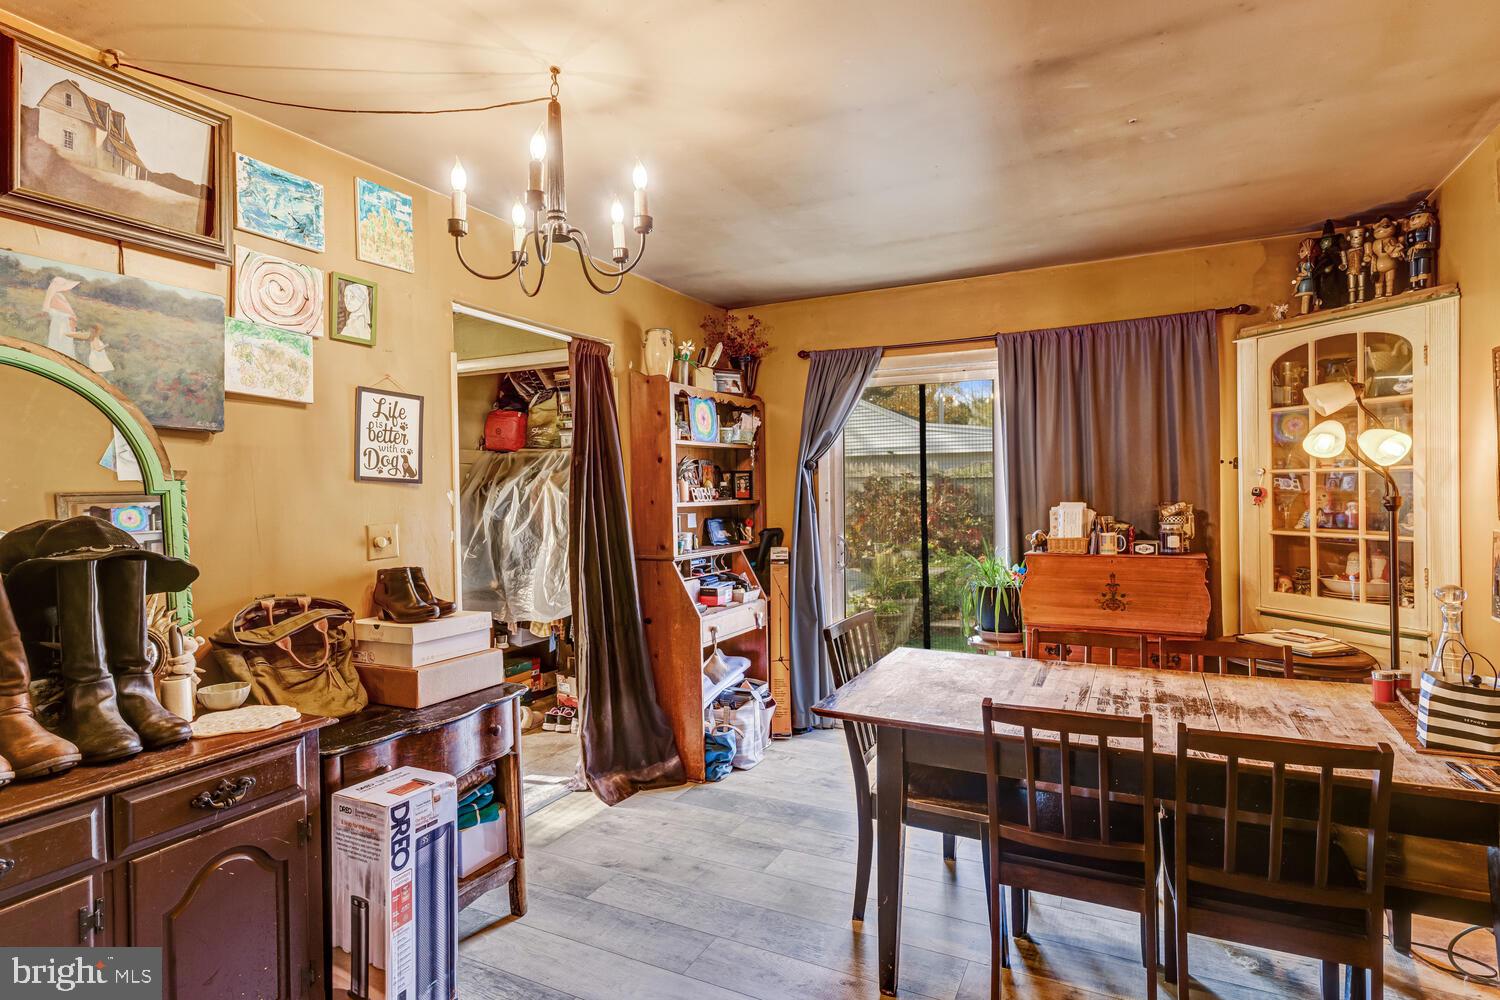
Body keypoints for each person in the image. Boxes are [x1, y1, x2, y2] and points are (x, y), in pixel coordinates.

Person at [39, 275, 81, 358]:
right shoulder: (55, 296)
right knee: (59, 341)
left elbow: (64, 310)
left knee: (63, 342)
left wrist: (69, 316)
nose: (67, 289)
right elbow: (52, 312)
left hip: (63, 323)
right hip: (60, 323)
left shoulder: (60, 296)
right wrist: (68, 316)